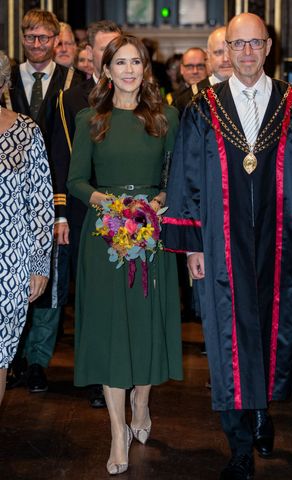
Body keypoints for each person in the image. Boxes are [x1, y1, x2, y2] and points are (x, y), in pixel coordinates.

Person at [162, 13, 292, 480]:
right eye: (238, 44)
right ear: (226, 50)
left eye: (255, 44)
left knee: (276, 330)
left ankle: (260, 412)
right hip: (220, 240)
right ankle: (238, 446)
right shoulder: (203, 107)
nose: (247, 52)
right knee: (228, 335)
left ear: (268, 47)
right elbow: (188, 178)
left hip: (282, 238)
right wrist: (193, 245)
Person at [67, 34, 183, 475]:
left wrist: (154, 206)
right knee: (114, 333)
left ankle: (142, 400)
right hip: (105, 238)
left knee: (146, 326)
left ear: (144, 69)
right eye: (121, 63)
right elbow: (76, 180)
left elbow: (177, 177)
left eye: (136, 62)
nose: (130, 70)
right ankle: (117, 431)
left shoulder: (166, 117)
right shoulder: (89, 119)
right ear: (107, 69)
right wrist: (111, 206)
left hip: (151, 237)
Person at [4, 9, 84, 393]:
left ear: (56, 40)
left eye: (44, 38)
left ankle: (38, 359)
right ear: (22, 38)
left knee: (51, 279)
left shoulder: (73, 82)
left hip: (57, 195)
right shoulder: (7, 79)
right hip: (11, 199)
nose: (37, 45)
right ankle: (12, 358)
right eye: (30, 37)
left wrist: (62, 209)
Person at [52, 19, 122, 409]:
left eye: (118, 46)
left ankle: (124, 369)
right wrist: (60, 213)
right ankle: (97, 375)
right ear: (90, 53)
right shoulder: (69, 98)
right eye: (104, 48)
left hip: (130, 212)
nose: (112, 55)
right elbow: (60, 160)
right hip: (84, 212)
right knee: (91, 300)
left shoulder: (138, 92)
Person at [0, 51, 54, 406]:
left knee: (0, 359)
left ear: (3, 83)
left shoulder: (24, 130)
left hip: (10, 264)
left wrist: (38, 264)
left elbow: (41, 204)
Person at [171, 47, 208, 114]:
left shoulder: (216, 94)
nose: (195, 71)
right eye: (189, 67)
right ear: (182, 69)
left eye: (200, 66)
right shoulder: (171, 99)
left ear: (208, 67)